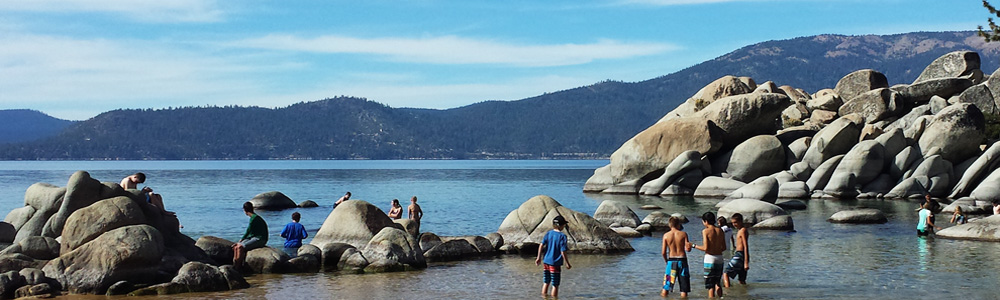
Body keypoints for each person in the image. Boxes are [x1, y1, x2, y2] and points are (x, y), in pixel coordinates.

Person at [535, 215, 571, 298]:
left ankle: (544, 298)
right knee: (555, 284)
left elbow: (541, 245)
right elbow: (563, 251)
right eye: (564, 225)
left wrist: (538, 257)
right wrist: (567, 263)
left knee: (546, 282)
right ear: (561, 226)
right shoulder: (562, 236)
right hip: (555, 263)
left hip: (546, 261)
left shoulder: (549, 233)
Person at [692, 212, 725, 298]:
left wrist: (694, 246)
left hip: (710, 259)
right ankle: (721, 297)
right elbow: (724, 247)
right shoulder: (720, 230)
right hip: (719, 258)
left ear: (705, 221)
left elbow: (706, 248)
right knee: (718, 282)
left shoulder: (705, 231)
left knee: (710, 285)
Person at [661, 216, 692, 298]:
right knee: (684, 288)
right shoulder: (683, 234)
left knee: (666, 286)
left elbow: (663, 252)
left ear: (669, 225)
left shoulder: (666, 236)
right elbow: (688, 249)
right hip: (682, 260)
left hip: (671, 261)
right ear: (679, 225)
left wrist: (666, 261)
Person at [233, 202, 268, 269]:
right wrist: (241, 241)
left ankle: (238, 266)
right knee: (236, 246)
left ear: (245, 210)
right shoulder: (254, 217)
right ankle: (235, 264)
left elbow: (249, 230)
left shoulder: (254, 218)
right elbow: (251, 233)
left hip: (260, 239)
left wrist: (242, 239)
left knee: (240, 247)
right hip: (254, 237)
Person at [723, 213, 750, 287]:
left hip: (740, 255)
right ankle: (744, 294)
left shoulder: (743, 230)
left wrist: (746, 262)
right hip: (741, 255)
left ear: (741, 221)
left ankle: (728, 290)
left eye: (735, 222)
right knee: (741, 279)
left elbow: (745, 245)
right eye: (732, 223)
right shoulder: (740, 230)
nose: (734, 224)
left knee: (726, 273)